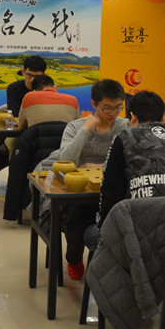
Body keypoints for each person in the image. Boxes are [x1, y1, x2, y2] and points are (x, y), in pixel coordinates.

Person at [42, 78, 129, 280]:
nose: (112, 113)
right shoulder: (76, 127)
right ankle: (74, 258)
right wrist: (85, 130)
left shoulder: (125, 127)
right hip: (79, 191)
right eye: (106, 108)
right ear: (94, 104)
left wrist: (98, 167)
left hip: (112, 190)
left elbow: (131, 159)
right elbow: (66, 160)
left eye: (117, 107)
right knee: (77, 217)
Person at [84, 90, 165, 249]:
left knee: (91, 235)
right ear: (162, 119)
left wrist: (103, 229)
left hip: (137, 233)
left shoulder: (124, 137)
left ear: (132, 117)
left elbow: (110, 191)